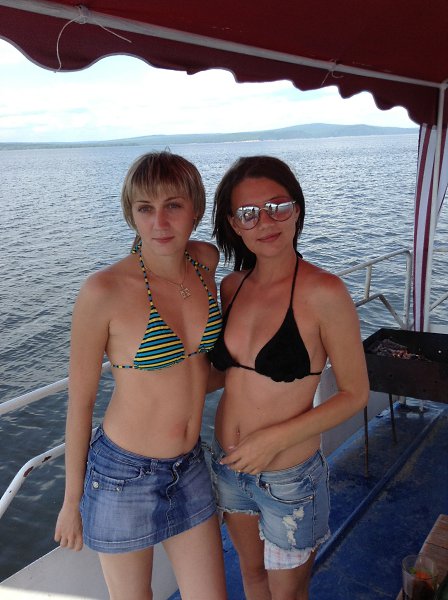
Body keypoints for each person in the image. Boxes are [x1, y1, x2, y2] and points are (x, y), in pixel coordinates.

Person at [54, 151, 227, 600]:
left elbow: (197, 369)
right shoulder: (104, 291)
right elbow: (81, 403)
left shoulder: (205, 262)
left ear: (195, 209)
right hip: (122, 475)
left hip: (190, 466)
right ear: (131, 214)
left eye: (173, 205)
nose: (160, 222)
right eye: (145, 208)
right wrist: (71, 501)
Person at [208, 155, 369, 600]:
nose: (266, 221)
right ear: (234, 225)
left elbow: (355, 393)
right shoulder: (231, 287)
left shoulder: (325, 292)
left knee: (287, 595)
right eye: (249, 213)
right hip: (229, 464)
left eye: (277, 206)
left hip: (289, 479)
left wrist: (273, 440)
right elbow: (225, 373)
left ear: (296, 208)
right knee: (251, 576)